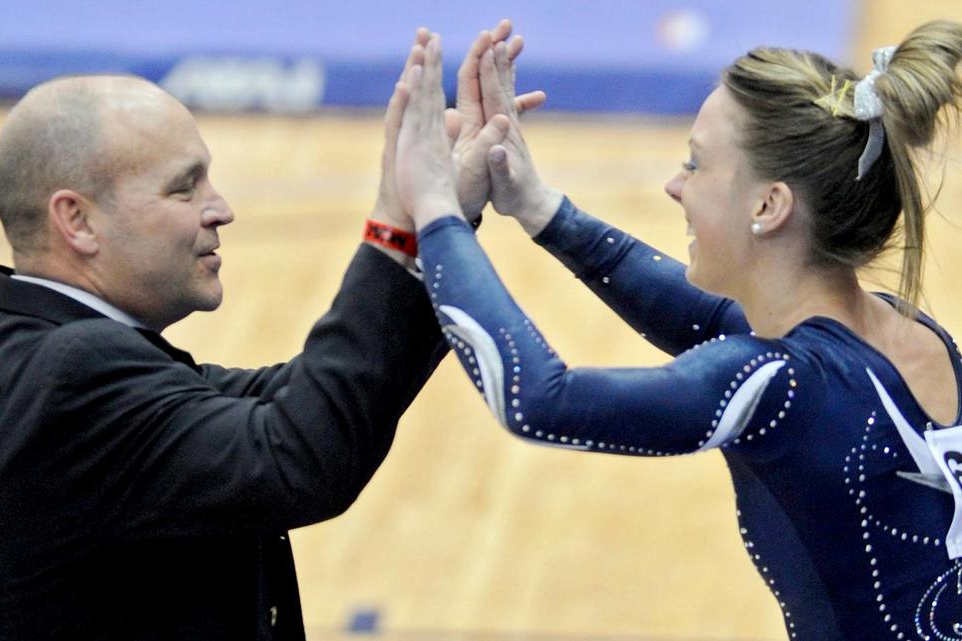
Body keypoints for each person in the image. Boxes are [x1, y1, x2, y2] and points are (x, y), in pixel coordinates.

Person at [0, 24, 544, 640]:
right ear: (78, 221)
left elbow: (296, 402)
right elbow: (301, 456)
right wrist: (393, 221)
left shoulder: (32, 341)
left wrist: (439, 217)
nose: (220, 207)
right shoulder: (70, 374)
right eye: (184, 187)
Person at [395, 21, 962, 640]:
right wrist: (536, 205)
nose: (674, 185)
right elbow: (711, 320)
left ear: (768, 207)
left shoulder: (787, 386)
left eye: (696, 165)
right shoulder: (910, 335)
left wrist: (436, 213)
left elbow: (538, 400)